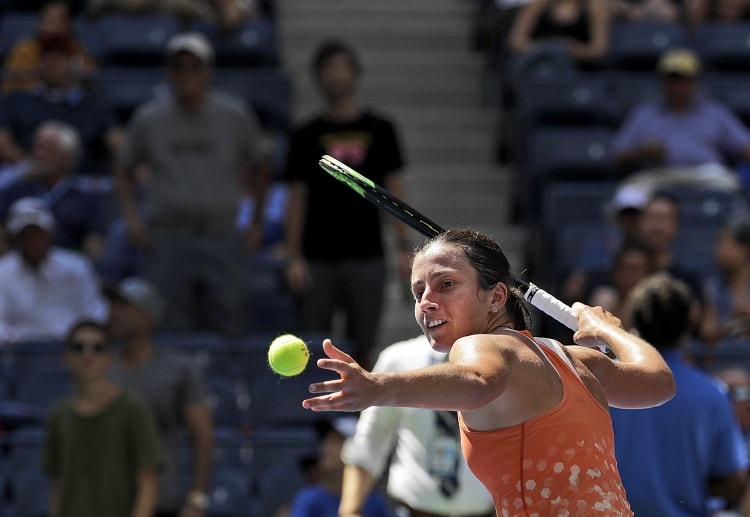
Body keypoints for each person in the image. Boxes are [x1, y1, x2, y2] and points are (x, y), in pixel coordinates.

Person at [303, 228, 676, 515]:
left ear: (496, 297)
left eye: (445, 285)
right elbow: (659, 383)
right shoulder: (579, 359)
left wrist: (377, 387)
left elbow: (479, 382)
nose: (427, 302)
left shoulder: (479, 346)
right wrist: (609, 330)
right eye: (418, 293)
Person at [114, 31, 271, 337]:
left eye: (194, 67)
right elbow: (123, 167)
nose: (187, 74)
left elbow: (261, 164)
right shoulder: (149, 117)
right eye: (179, 67)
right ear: (168, 72)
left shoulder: (234, 114)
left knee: (230, 320)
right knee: (170, 325)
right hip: (169, 236)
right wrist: (132, 218)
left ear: (209, 71)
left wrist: (256, 223)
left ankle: (228, 384)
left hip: (222, 234)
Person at [283, 38, 412, 368]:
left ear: (355, 74)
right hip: (316, 259)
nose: (334, 76)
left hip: (367, 255)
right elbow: (297, 197)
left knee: (364, 344)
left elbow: (392, 188)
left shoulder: (380, 129)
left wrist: (403, 246)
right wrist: (293, 255)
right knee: (313, 346)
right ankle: (321, 417)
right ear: (317, 77)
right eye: (326, 69)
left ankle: (358, 414)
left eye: (341, 68)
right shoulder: (307, 134)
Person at [609, 272, 748, 515]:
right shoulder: (712, 394)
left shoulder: (604, 388)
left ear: (634, 322)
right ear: (688, 325)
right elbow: (733, 481)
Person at [339, 334, 495, 517]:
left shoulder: (503, 362)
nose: (430, 305)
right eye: (418, 302)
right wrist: (350, 510)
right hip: (412, 511)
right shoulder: (399, 359)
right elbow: (370, 440)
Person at [105, 276, 215, 517]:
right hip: (106, 498)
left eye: (125, 307)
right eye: (113, 305)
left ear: (148, 317)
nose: (114, 313)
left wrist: (196, 498)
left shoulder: (179, 369)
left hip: (162, 497)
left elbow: (202, 436)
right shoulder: (100, 366)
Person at [42, 319, 163, 517]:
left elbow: (148, 482)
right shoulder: (59, 414)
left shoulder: (133, 408)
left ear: (109, 358)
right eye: (78, 347)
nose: (87, 355)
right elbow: (58, 484)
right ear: (65, 357)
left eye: (97, 348)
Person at [612, 47, 750, 193]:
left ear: (695, 82)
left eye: (684, 80)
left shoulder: (715, 113)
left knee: (728, 187)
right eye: (672, 80)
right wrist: (642, 153)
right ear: (663, 82)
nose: (678, 87)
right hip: (658, 175)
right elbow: (617, 157)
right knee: (628, 195)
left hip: (704, 174)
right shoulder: (644, 114)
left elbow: (745, 147)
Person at [0, 32, 122, 177]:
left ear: (73, 63)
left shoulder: (93, 105)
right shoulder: (16, 100)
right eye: (45, 56)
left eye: (58, 57)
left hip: (81, 182)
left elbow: (117, 142)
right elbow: (2, 141)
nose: (51, 63)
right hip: (26, 177)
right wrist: (28, 165)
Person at [0, 197, 109, 343]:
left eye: (38, 233)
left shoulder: (77, 266)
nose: (33, 240)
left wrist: (81, 338)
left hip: (71, 346)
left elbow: (94, 312)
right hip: (19, 350)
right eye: (26, 234)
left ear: (51, 232)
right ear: (15, 238)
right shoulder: (3, 271)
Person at [0, 120, 109, 261]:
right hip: (17, 270)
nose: (39, 154)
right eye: (37, 148)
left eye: (47, 149)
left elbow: (95, 244)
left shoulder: (84, 199)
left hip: (66, 269)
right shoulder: (17, 190)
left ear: (67, 157)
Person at [288, 417, 390, 517]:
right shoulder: (307, 499)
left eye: (336, 441)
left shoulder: (375, 501)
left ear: (354, 449)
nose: (326, 448)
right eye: (326, 440)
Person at [2, 1, 96, 93]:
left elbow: (91, 83)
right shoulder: (24, 50)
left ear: (68, 26)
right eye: (48, 21)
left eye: (57, 21)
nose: (52, 26)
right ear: (39, 25)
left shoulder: (77, 50)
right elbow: (12, 89)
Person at [699, 216, 750, 346]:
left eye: (725, 243)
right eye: (718, 243)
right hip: (724, 360)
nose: (717, 250)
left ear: (745, 250)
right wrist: (731, 320)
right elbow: (707, 332)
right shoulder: (712, 287)